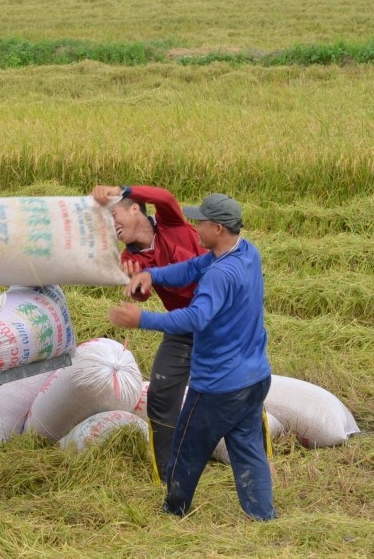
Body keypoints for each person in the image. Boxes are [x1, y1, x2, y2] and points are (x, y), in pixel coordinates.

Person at [108, 194, 275, 521]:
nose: (195, 226)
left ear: (217, 227)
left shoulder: (219, 275)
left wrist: (143, 319)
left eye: (201, 222)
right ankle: (263, 516)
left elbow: (195, 319)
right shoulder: (247, 252)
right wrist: (153, 276)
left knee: (186, 449)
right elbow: (191, 267)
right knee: (247, 449)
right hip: (255, 376)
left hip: (218, 385)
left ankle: (173, 513)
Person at [91, 184, 205, 484]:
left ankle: (253, 455)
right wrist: (133, 283)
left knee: (228, 392)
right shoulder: (133, 259)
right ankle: (167, 476)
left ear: (135, 208)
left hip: (219, 320)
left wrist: (121, 189)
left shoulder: (171, 223)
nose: (114, 225)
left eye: (115, 215)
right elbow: (143, 296)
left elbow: (165, 197)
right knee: (161, 393)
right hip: (182, 325)